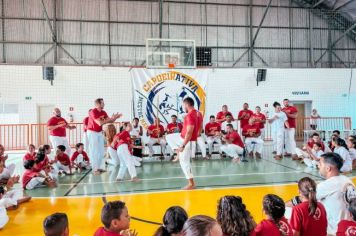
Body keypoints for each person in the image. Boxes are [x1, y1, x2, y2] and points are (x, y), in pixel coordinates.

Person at [165, 97, 200, 190]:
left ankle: (191, 184)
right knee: (168, 137)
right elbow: (199, 126)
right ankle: (177, 152)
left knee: (184, 163)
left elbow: (189, 132)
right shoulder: (198, 113)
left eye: (183, 105)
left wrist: (183, 145)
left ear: (186, 105)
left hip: (185, 140)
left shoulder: (189, 116)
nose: (183, 106)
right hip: (181, 137)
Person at [316, 152, 354, 235]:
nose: (318, 165)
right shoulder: (347, 180)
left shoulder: (326, 185)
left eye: (320, 164)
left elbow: (304, 198)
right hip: (348, 229)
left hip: (333, 231)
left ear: (328, 168)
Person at [87, 98, 122, 175]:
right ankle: (94, 169)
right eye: (102, 103)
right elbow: (99, 123)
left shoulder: (103, 112)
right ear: (98, 104)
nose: (104, 104)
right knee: (94, 151)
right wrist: (110, 119)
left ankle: (99, 167)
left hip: (99, 132)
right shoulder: (93, 112)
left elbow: (110, 121)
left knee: (101, 151)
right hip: (92, 132)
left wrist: (115, 118)